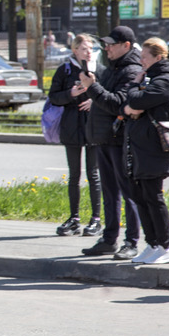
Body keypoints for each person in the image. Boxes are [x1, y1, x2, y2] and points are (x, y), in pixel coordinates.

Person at [77, 25, 142, 260]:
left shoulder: (131, 70)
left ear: (126, 46)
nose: (107, 48)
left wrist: (91, 87)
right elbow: (104, 99)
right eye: (105, 44)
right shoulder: (113, 68)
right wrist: (93, 85)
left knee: (127, 192)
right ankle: (109, 239)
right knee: (109, 192)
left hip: (119, 140)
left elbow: (118, 104)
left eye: (111, 44)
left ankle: (131, 241)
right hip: (105, 138)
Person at [122, 37, 169, 264]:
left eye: (144, 57)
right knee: (141, 196)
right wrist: (134, 102)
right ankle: (153, 243)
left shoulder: (164, 80)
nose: (140, 61)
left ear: (158, 58)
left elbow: (136, 101)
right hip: (142, 147)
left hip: (155, 149)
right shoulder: (152, 79)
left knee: (153, 196)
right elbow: (130, 105)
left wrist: (135, 90)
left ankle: (167, 246)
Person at [48, 34, 104, 237]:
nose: (88, 52)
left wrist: (95, 101)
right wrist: (70, 95)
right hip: (71, 127)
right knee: (74, 175)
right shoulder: (65, 70)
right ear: (75, 50)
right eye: (84, 48)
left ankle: (96, 219)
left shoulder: (100, 69)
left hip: (94, 127)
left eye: (90, 48)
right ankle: (74, 218)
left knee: (94, 174)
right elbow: (53, 97)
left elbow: (110, 95)